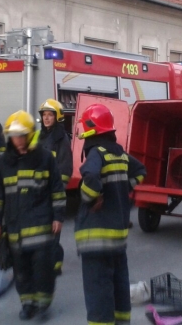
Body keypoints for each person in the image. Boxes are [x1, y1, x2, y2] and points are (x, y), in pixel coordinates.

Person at [76, 104, 146, 325]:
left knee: (98, 292)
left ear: (91, 128)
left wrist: (90, 198)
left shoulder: (96, 152)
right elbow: (141, 171)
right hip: (117, 238)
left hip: (96, 240)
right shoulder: (120, 154)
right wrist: (124, 188)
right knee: (119, 286)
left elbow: (90, 177)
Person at [0, 110, 65, 320]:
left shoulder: (45, 158)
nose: (18, 140)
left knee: (42, 269)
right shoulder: (4, 162)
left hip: (41, 226)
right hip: (15, 229)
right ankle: (27, 303)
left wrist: (58, 217)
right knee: (21, 271)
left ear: (31, 134)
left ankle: (43, 303)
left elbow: (57, 190)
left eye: (21, 135)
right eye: (14, 136)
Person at [37, 98, 73, 276]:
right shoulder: (39, 136)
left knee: (53, 229)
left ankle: (55, 263)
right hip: (39, 190)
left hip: (53, 191)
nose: (46, 118)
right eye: (44, 115)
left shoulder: (61, 139)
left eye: (50, 115)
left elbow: (65, 167)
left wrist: (59, 189)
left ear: (57, 117)